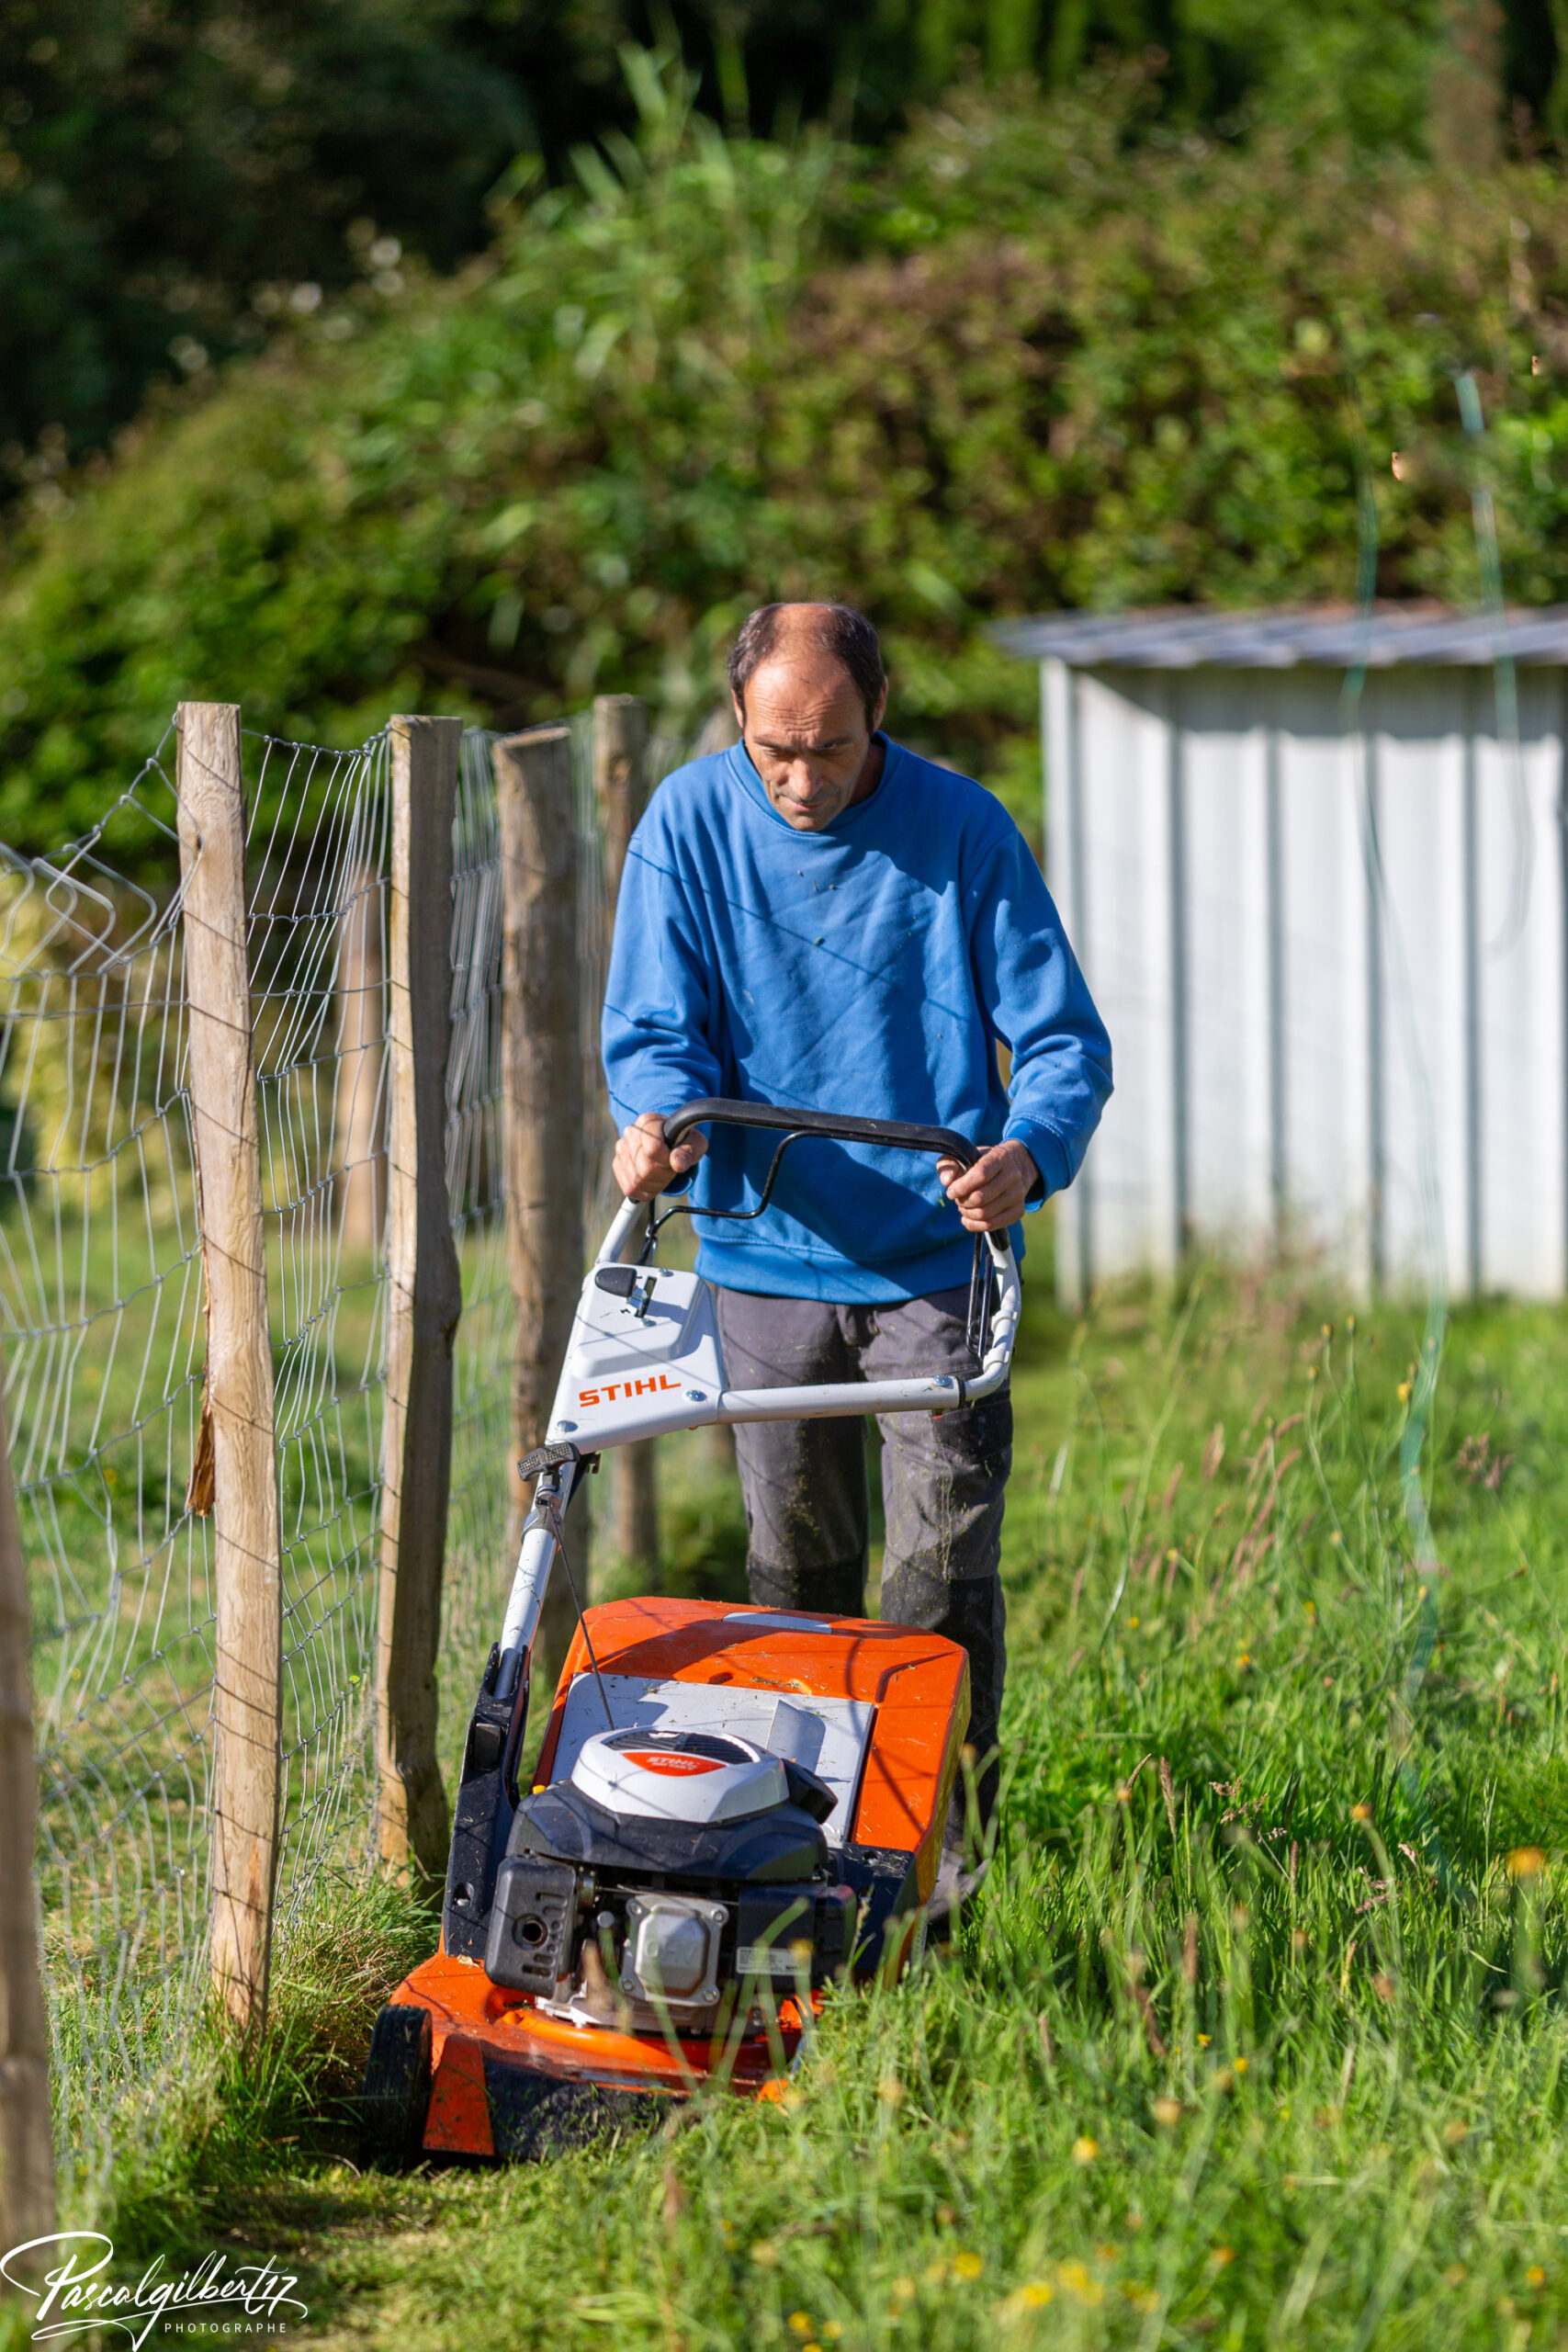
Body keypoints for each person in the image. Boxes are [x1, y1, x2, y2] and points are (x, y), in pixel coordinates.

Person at [602, 602, 1111, 1899]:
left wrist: (1027, 1152)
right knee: (795, 1578)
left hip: (932, 1263)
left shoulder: (962, 832)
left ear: (876, 714)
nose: (801, 777)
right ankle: (805, 1853)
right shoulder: (688, 825)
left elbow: (1063, 1045)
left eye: (829, 749)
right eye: (777, 747)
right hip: (764, 1254)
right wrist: (654, 1126)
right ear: (739, 721)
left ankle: (948, 1865)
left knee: (938, 1578)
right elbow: (656, 1029)